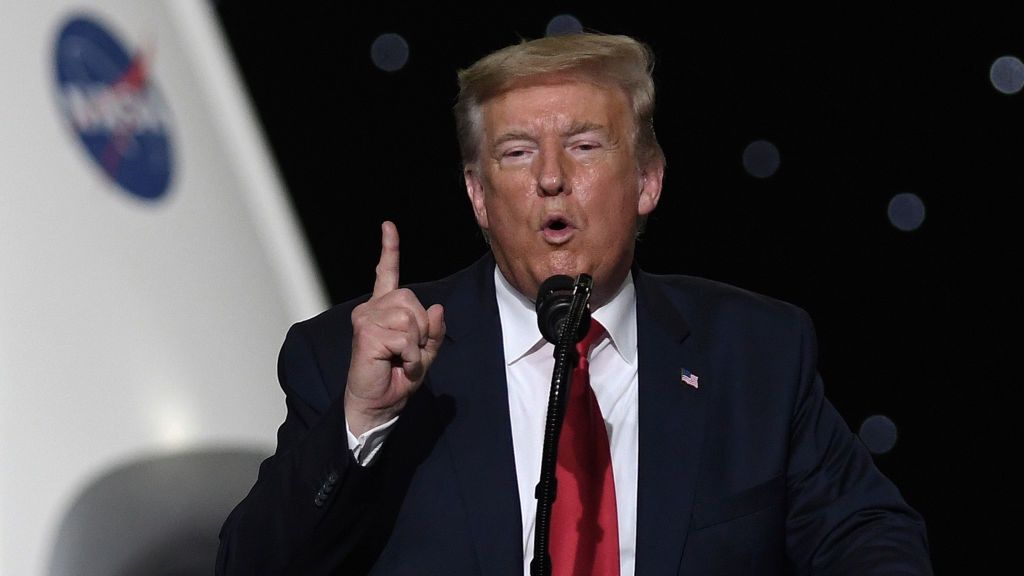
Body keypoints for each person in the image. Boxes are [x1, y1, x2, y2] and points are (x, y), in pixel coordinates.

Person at [216, 32, 932, 575]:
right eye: (519, 154)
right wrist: (365, 419)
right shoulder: (350, 358)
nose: (552, 179)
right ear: (477, 195)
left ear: (648, 180)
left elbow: (873, 540)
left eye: (585, 147)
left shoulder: (756, 353)